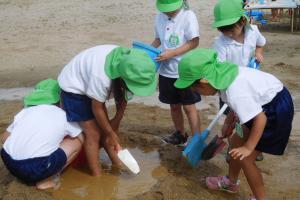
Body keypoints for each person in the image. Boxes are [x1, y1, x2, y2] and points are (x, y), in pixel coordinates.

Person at [174, 48, 294, 200]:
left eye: (194, 89)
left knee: (246, 157)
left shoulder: (235, 90)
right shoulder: (223, 75)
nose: (194, 92)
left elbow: (260, 119)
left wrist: (249, 148)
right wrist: (229, 122)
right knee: (236, 141)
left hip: (274, 110)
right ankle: (231, 182)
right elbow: (236, 105)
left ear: (204, 81)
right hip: (263, 103)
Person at [58, 45, 157, 176]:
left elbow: (122, 101)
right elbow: (97, 107)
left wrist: (114, 126)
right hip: (74, 88)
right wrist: (110, 133)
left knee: (109, 130)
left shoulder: (133, 64)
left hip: (93, 86)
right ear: (122, 78)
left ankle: (118, 164)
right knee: (93, 133)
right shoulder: (100, 77)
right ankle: (97, 176)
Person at [0, 79, 84, 190]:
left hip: (10, 163)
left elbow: (4, 136)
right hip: (38, 166)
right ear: (60, 99)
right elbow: (81, 138)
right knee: (76, 142)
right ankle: (46, 180)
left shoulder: (24, 112)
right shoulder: (62, 115)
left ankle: (26, 170)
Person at [213, 0, 266, 161]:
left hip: (251, 85)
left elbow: (261, 43)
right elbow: (220, 68)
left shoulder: (253, 31)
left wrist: (258, 53)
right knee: (231, 119)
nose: (228, 33)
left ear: (243, 21)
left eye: (230, 29)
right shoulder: (220, 43)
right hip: (231, 88)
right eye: (223, 30)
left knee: (250, 118)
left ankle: (253, 147)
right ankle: (233, 146)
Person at [151, 0, 201, 146]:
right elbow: (158, 39)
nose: (167, 12)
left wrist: (172, 53)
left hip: (184, 70)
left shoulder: (188, 16)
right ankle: (180, 133)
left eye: (170, 9)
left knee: (189, 106)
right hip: (166, 70)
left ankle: (197, 138)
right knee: (174, 105)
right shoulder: (160, 17)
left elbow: (194, 42)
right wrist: (147, 51)